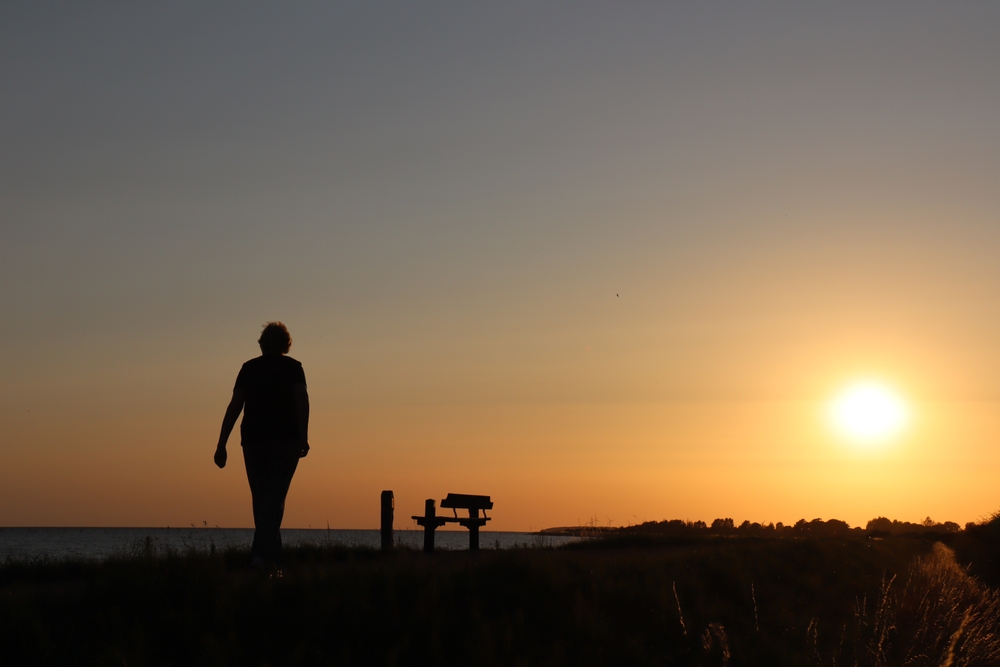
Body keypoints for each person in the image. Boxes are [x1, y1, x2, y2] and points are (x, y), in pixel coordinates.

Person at [215, 322, 309, 568]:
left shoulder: (249, 369)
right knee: (273, 499)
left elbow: (235, 405)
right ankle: (263, 559)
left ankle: (268, 561)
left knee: (263, 500)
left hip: (255, 441)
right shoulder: (293, 368)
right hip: (285, 439)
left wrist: (221, 443)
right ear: (286, 344)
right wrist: (303, 436)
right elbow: (302, 399)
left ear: (263, 343)